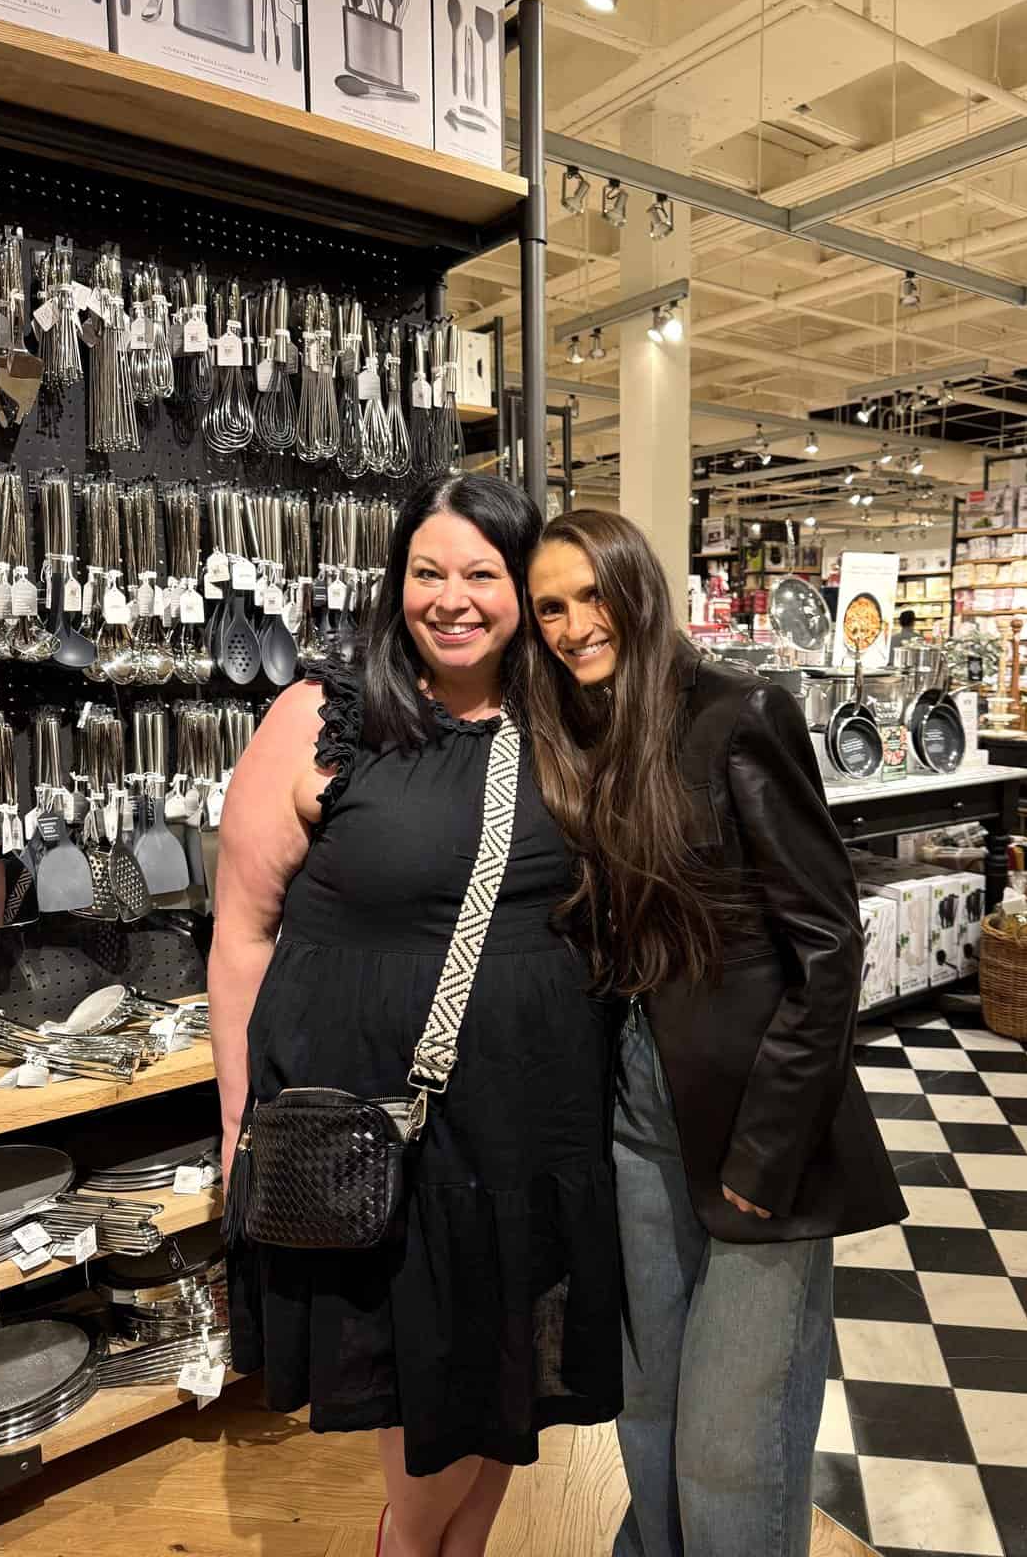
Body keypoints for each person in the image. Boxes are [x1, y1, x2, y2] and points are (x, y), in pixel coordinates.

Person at [210, 475, 622, 1557]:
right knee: (424, 1393)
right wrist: (236, 1120)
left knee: (507, 1382)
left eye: (482, 573)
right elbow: (242, 934)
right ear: (396, 581)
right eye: (427, 572)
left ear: (522, 587)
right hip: (384, 1125)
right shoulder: (320, 717)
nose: (452, 599)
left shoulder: (569, 721)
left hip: (535, 1116)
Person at [525, 510, 905, 1557]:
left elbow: (828, 944)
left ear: (637, 587)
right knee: (647, 1407)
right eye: (550, 607)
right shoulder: (583, 734)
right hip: (638, 1118)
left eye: (590, 594)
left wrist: (768, 1152)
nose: (573, 624)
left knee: (733, 1440)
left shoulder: (740, 714)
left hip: (757, 1121)